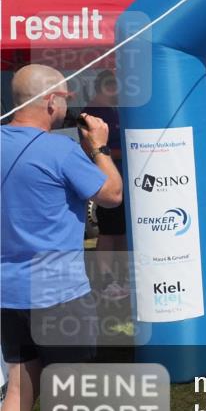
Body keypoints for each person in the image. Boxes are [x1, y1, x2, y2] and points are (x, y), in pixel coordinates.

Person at [2, 64, 122, 411]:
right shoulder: (60, 150)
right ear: (51, 101)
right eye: (67, 98)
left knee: (19, 389)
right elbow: (112, 194)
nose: (70, 105)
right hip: (60, 294)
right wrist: (100, 147)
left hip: (9, 292)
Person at [80, 70, 128, 302]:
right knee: (109, 231)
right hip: (107, 179)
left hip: (121, 178)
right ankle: (105, 280)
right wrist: (125, 152)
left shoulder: (112, 110)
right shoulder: (91, 113)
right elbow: (89, 148)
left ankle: (119, 277)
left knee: (120, 230)